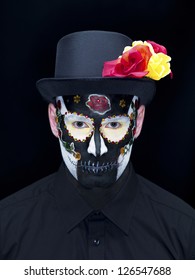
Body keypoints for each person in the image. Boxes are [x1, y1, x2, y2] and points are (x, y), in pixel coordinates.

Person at [0, 30, 195, 260]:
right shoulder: (6, 229)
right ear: (55, 120)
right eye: (79, 124)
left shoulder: (184, 231)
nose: (96, 148)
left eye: (114, 124)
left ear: (138, 122)